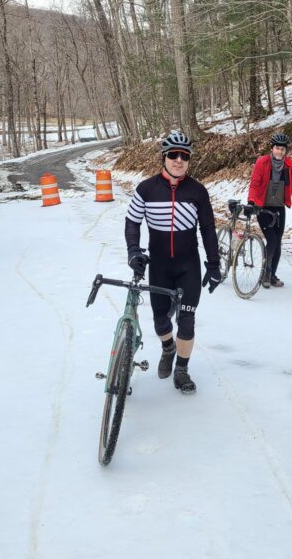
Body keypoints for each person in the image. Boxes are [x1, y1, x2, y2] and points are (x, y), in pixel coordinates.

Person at [125, 131, 221, 394]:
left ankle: (182, 369)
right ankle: (168, 347)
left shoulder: (198, 191)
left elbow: (208, 229)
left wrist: (213, 265)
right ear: (164, 157)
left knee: (187, 320)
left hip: (188, 264)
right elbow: (132, 221)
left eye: (184, 156)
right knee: (159, 320)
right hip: (159, 266)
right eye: (173, 155)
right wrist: (134, 251)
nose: (179, 160)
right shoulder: (147, 188)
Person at [245, 131, 292, 289]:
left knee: (277, 243)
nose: (280, 151)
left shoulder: (290, 166)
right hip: (263, 207)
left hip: (279, 208)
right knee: (271, 240)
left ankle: (272, 275)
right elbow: (255, 184)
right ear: (272, 149)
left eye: (283, 149)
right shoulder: (262, 162)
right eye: (277, 148)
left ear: (286, 151)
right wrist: (251, 201)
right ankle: (265, 272)